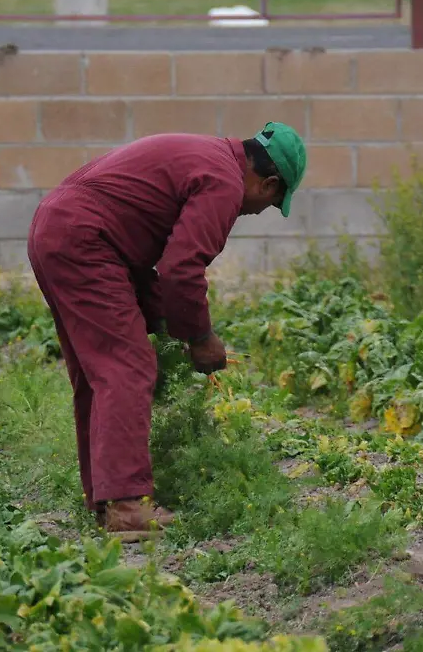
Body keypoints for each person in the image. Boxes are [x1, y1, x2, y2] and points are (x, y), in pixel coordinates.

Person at [25, 122, 307, 542]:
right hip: (85, 238)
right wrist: (199, 338)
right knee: (127, 366)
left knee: (97, 372)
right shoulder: (224, 183)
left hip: (58, 228)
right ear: (268, 182)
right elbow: (181, 270)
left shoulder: (206, 155)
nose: (256, 211)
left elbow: (152, 266)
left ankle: (105, 501)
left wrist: (168, 324)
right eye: (270, 202)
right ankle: (126, 505)